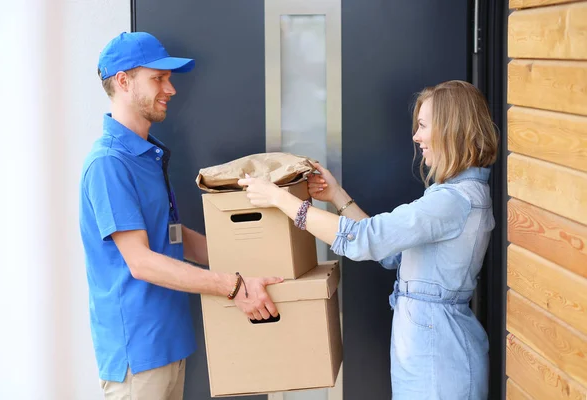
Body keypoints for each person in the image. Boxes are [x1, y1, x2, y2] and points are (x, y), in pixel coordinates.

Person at [238, 80, 498, 399]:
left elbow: (364, 240)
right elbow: (391, 253)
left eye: (422, 126)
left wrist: (282, 201)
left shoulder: (452, 201)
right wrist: (336, 196)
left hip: (439, 358)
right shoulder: (454, 196)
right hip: (430, 349)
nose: (416, 137)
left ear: (451, 129)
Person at [79, 32, 283, 400]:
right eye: (158, 78)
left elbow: (175, 235)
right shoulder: (109, 164)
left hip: (170, 342)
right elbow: (141, 262)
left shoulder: (146, 155)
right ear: (123, 82)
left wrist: (254, 264)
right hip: (138, 356)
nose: (170, 89)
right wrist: (234, 286)